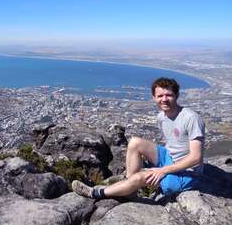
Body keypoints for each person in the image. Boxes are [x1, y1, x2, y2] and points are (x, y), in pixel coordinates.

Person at [72, 77, 205, 199]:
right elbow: (174, 143)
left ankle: (95, 193)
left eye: (168, 95)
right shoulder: (162, 117)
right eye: (160, 96)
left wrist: (162, 170)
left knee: (140, 177)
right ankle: (130, 188)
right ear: (154, 97)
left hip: (187, 173)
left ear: (176, 95)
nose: (164, 99)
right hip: (169, 158)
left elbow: (195, 158)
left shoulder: (191, 118)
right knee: (135, 142)